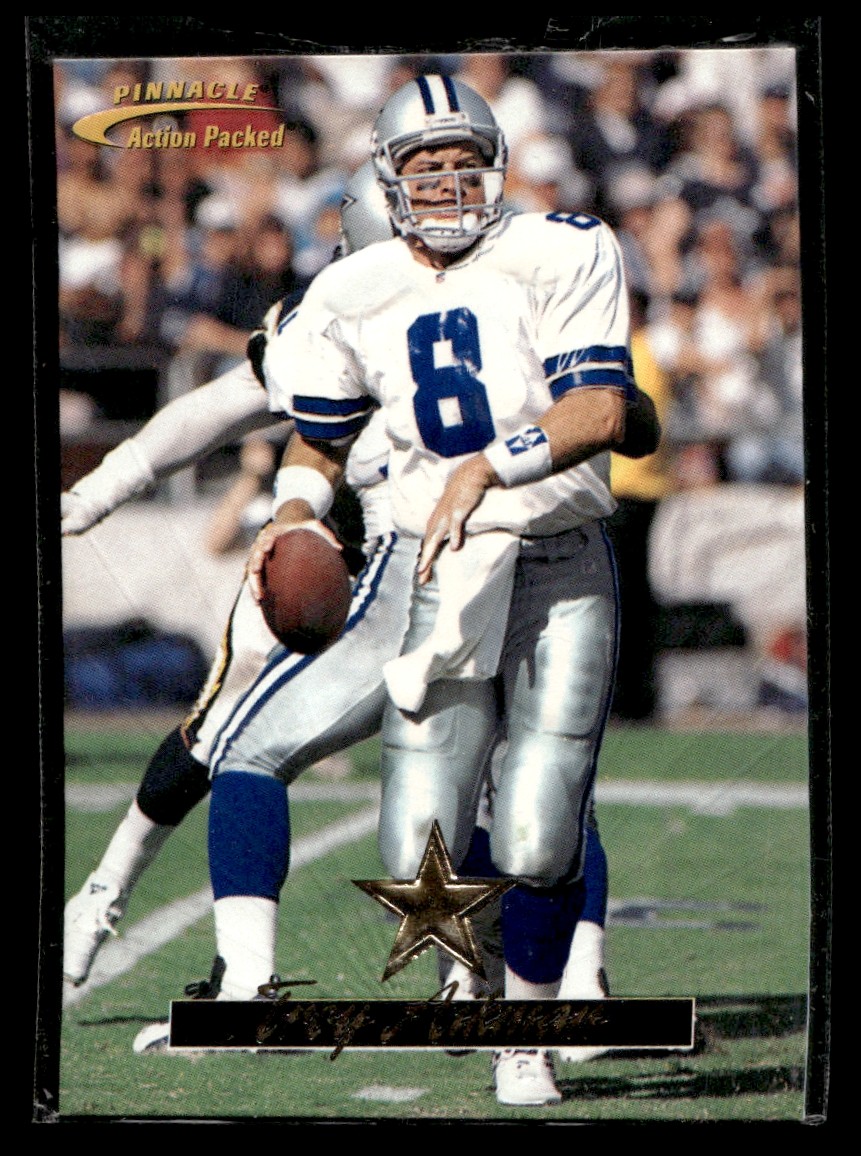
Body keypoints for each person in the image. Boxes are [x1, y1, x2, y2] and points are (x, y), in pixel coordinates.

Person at [63, 164, 620, 1045]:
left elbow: (604, 410)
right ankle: (112, 899)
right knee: (230, 731)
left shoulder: (505, 292)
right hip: (352, 564)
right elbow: (222, 410)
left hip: (467, 560)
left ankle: (549, 986)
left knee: (525, 785)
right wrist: (97, 494)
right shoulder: (333, 315)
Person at [250, 74, 659, 1106]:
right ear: (388, 180)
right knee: (415, 847)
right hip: (439, 568)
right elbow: (319, 436)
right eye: (425, 165)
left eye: (464, 160)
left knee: (538, 825)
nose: (446, 181)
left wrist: (488, 466)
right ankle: (475, 965)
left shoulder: (563, 247)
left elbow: (602, 407)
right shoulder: (353, 288)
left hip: (556, 556)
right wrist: (293, 512)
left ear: (499, 166)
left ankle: (528, 1031)